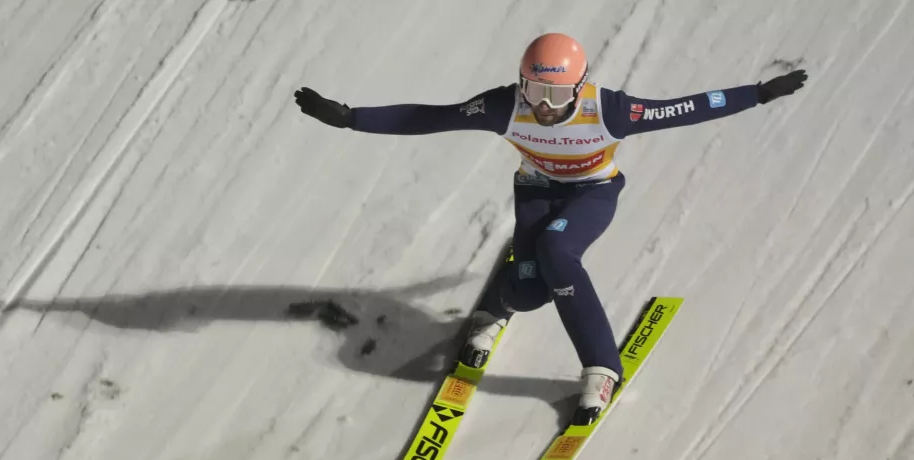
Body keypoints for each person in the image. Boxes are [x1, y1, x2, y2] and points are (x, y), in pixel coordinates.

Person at [293, 32, 807, 424]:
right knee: (531, 287)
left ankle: (601, 369)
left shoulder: (611, 110)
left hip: (592, 194)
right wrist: (350, 117)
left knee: (558, 250)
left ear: (579, 87)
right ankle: (500, 304)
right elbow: (430, 117)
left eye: (555, 92)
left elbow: (687, 109)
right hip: (536, 192)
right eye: (534, 88)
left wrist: (758, 94)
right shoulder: (505, 105)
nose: (542, 104)